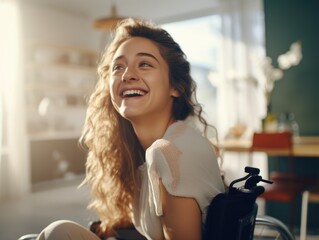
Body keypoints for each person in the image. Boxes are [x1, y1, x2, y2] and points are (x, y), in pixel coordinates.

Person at [36, 18, 225, 240]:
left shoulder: (170, 152)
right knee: (60, 231)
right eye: (118, 67)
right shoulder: (147, 150)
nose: (127, 75)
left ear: (175, 86)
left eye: (144, 64)